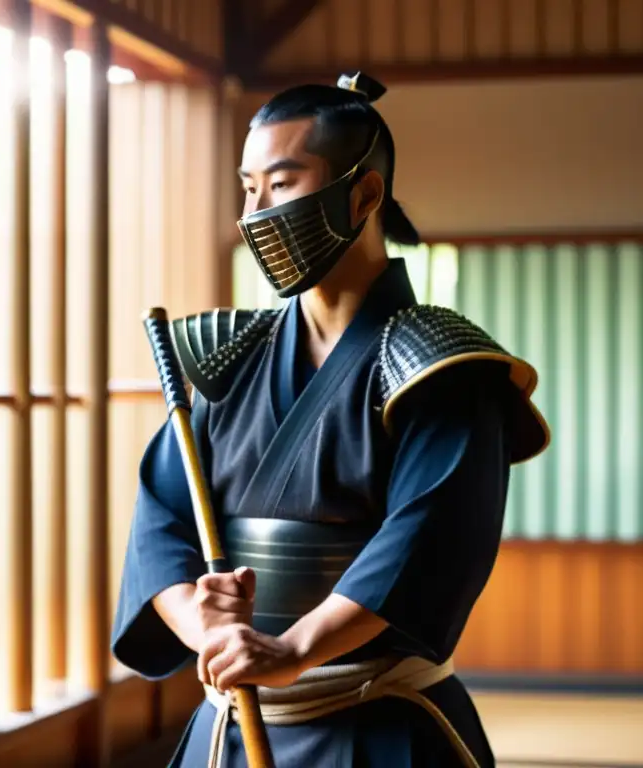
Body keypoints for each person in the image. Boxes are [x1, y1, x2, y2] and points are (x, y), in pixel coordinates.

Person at [111, 71, 551, 768]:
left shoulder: (440, 368)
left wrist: (294, 649)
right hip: (231, 725)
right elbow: (160, 519)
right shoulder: (229, 357)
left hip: (379, 726)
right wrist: (206, 629)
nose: (258, 212)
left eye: (282, 185)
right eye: (248, 189)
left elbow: (425, 542)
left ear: (364, 194)